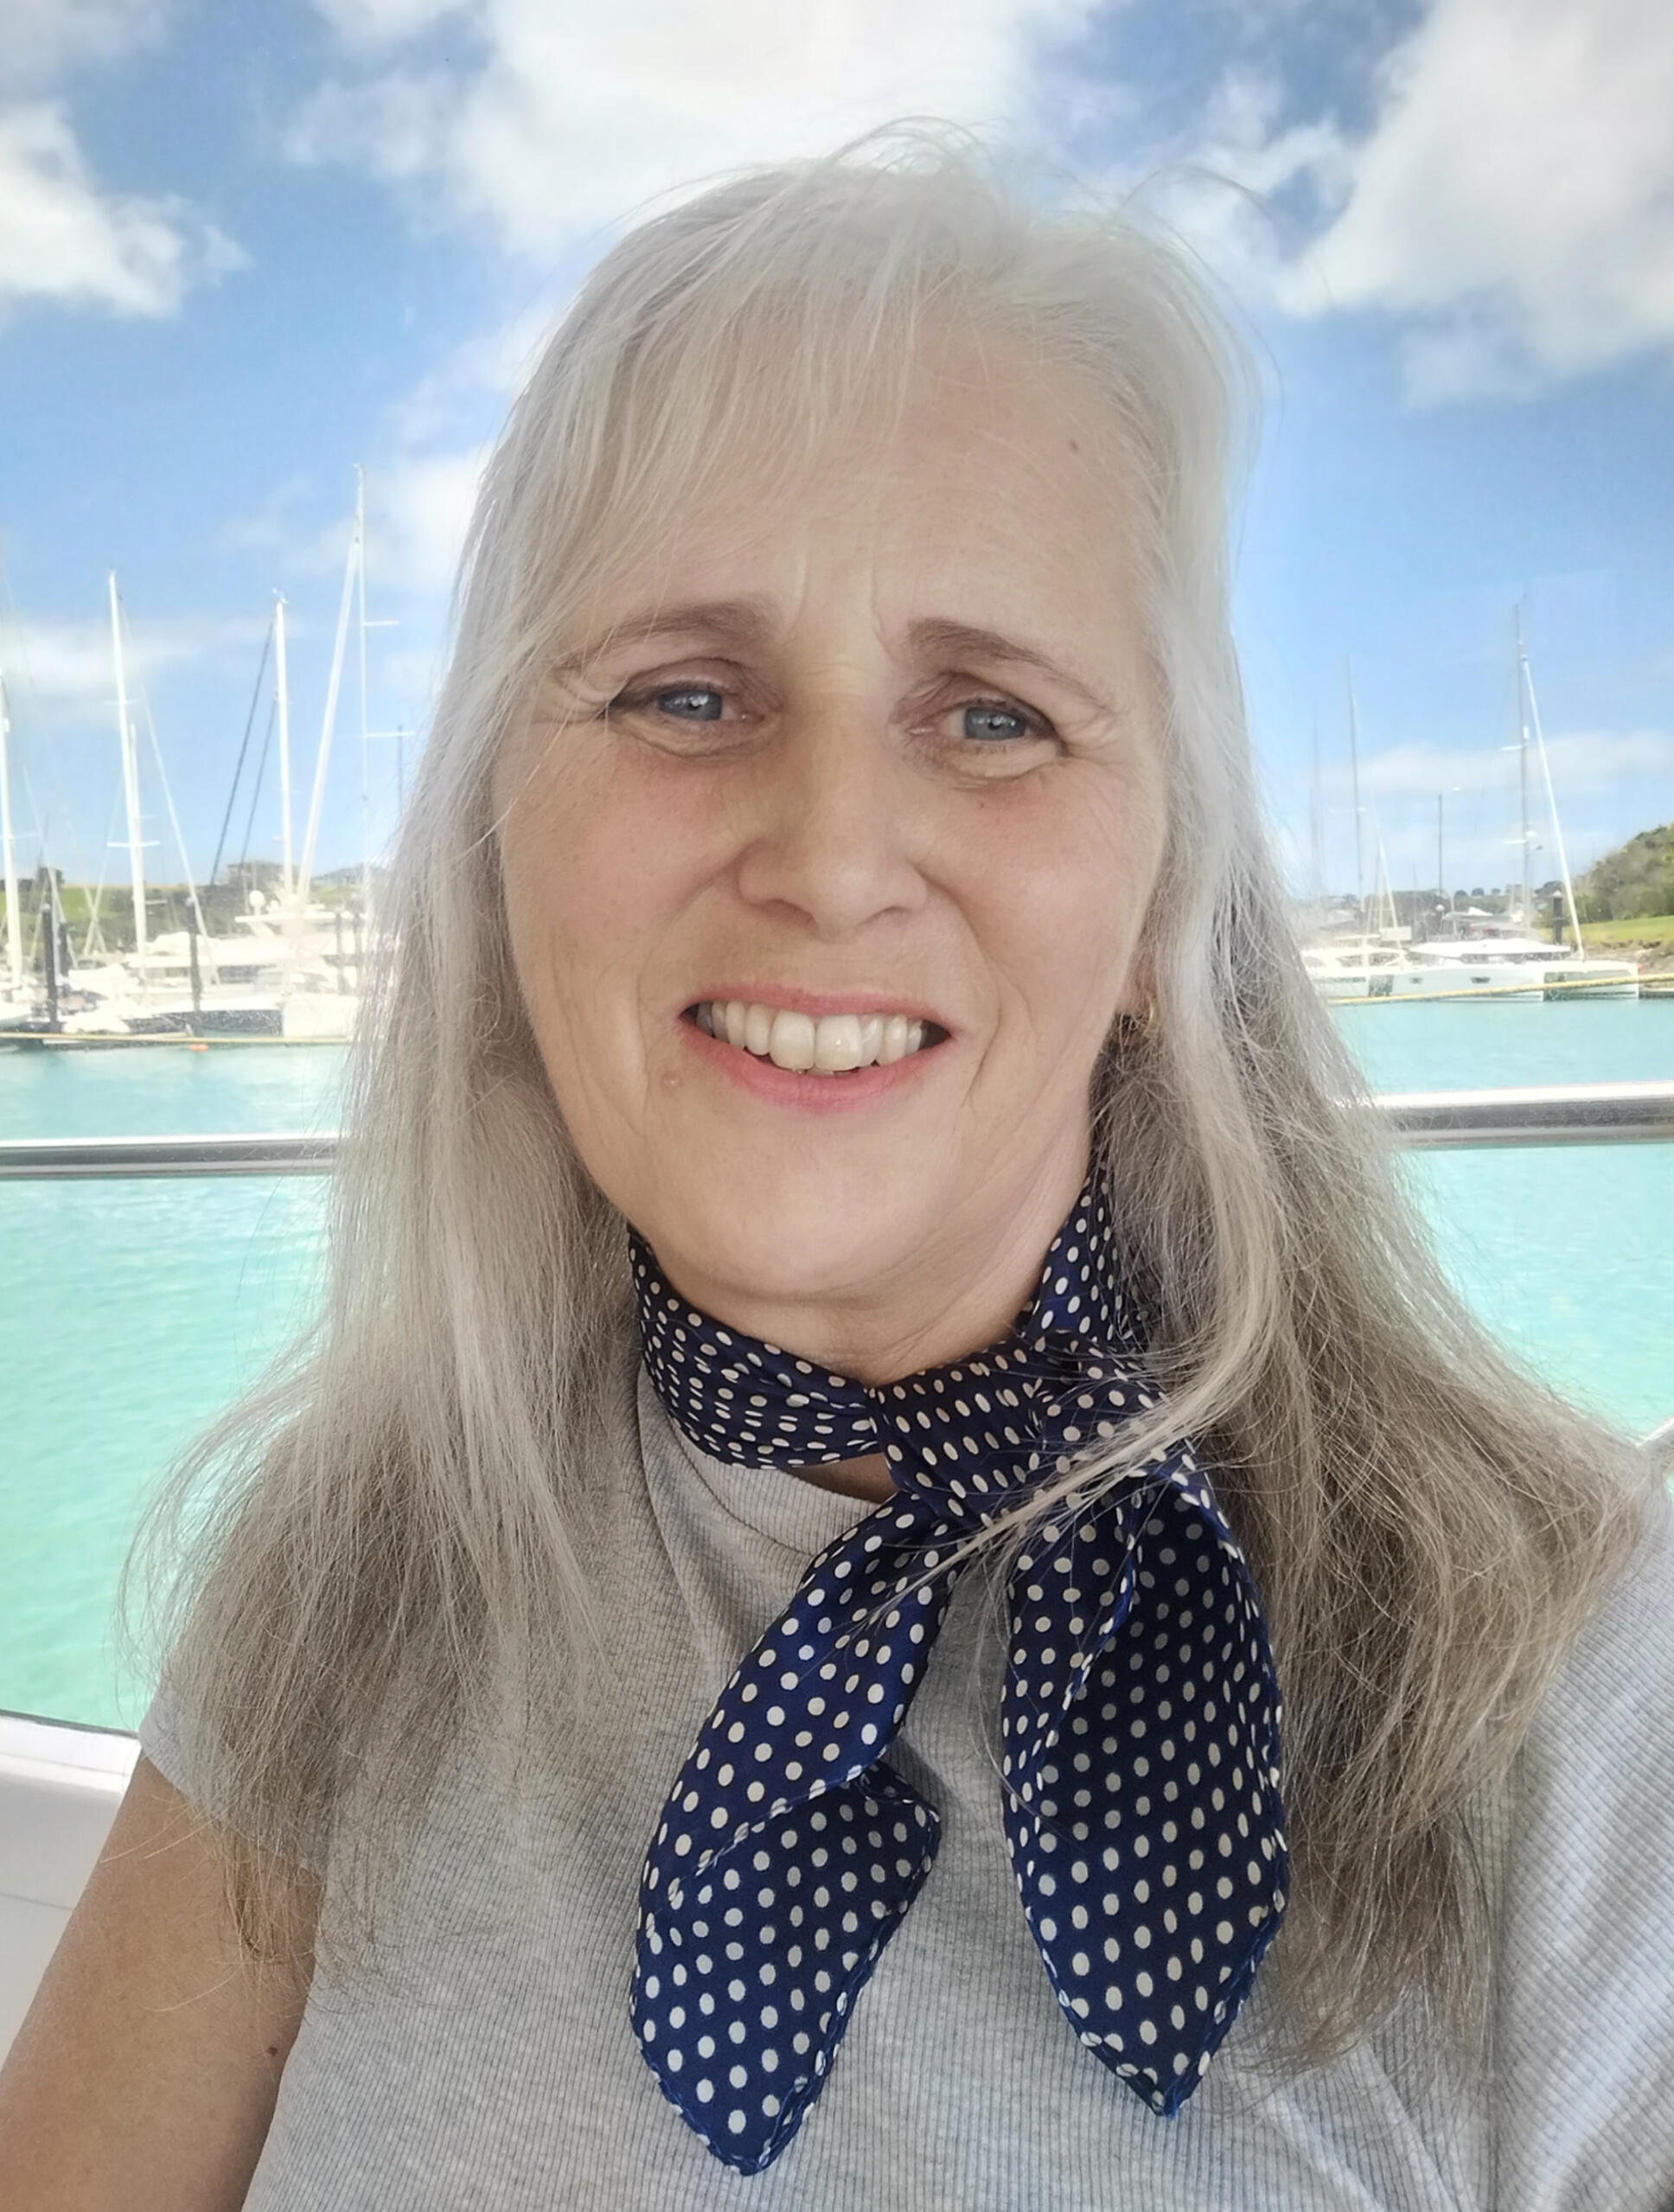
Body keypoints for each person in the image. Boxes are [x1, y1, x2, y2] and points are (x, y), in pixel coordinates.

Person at [1, 133, 1670, 2212]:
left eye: (987, 718)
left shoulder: (1583, 1681)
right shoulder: (353, 1564)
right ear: (499, 851)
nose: (827, 854)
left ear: (1162, 915)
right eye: (685, 693)